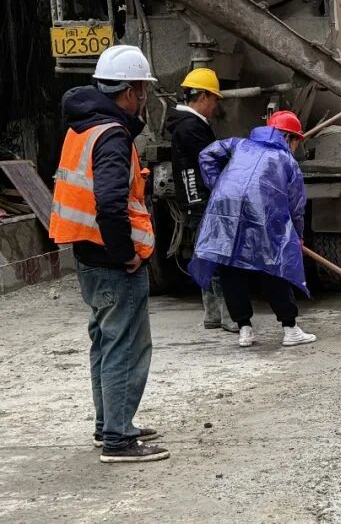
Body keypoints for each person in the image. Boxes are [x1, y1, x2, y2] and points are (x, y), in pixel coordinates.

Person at [48, 45, 169, 463]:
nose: (145, 98)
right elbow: (111, 204)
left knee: (104, 340)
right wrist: (127, 256)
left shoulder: (83, 127)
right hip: (111, 259)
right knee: (127, 346)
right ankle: (119, 438)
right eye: (143, 89)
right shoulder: (113, 135)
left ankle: (110, 425)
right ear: (133, 90)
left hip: (86, 253)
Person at [190, 111, 315, 348]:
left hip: (226, 207)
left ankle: (244, 330)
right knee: (272, 266)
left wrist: (218, 184)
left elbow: (207, 154)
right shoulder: (287, 160)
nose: (298, 145)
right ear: (289, 137)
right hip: (262, 212)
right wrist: (297, 236)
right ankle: (290, 329)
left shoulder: (240, 144)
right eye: (297, 140)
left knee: (230, 264)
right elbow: (297, 206)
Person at [164, 68, 238, 333]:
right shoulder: (191, 127)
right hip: (202, 200)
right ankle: (228, 316)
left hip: (195, 199)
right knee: (218, 256)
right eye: (215, 98)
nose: (216, 104)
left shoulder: (186, 125)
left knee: (207, 253)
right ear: (204, 96)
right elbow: (212, 159)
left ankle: (213, 314)